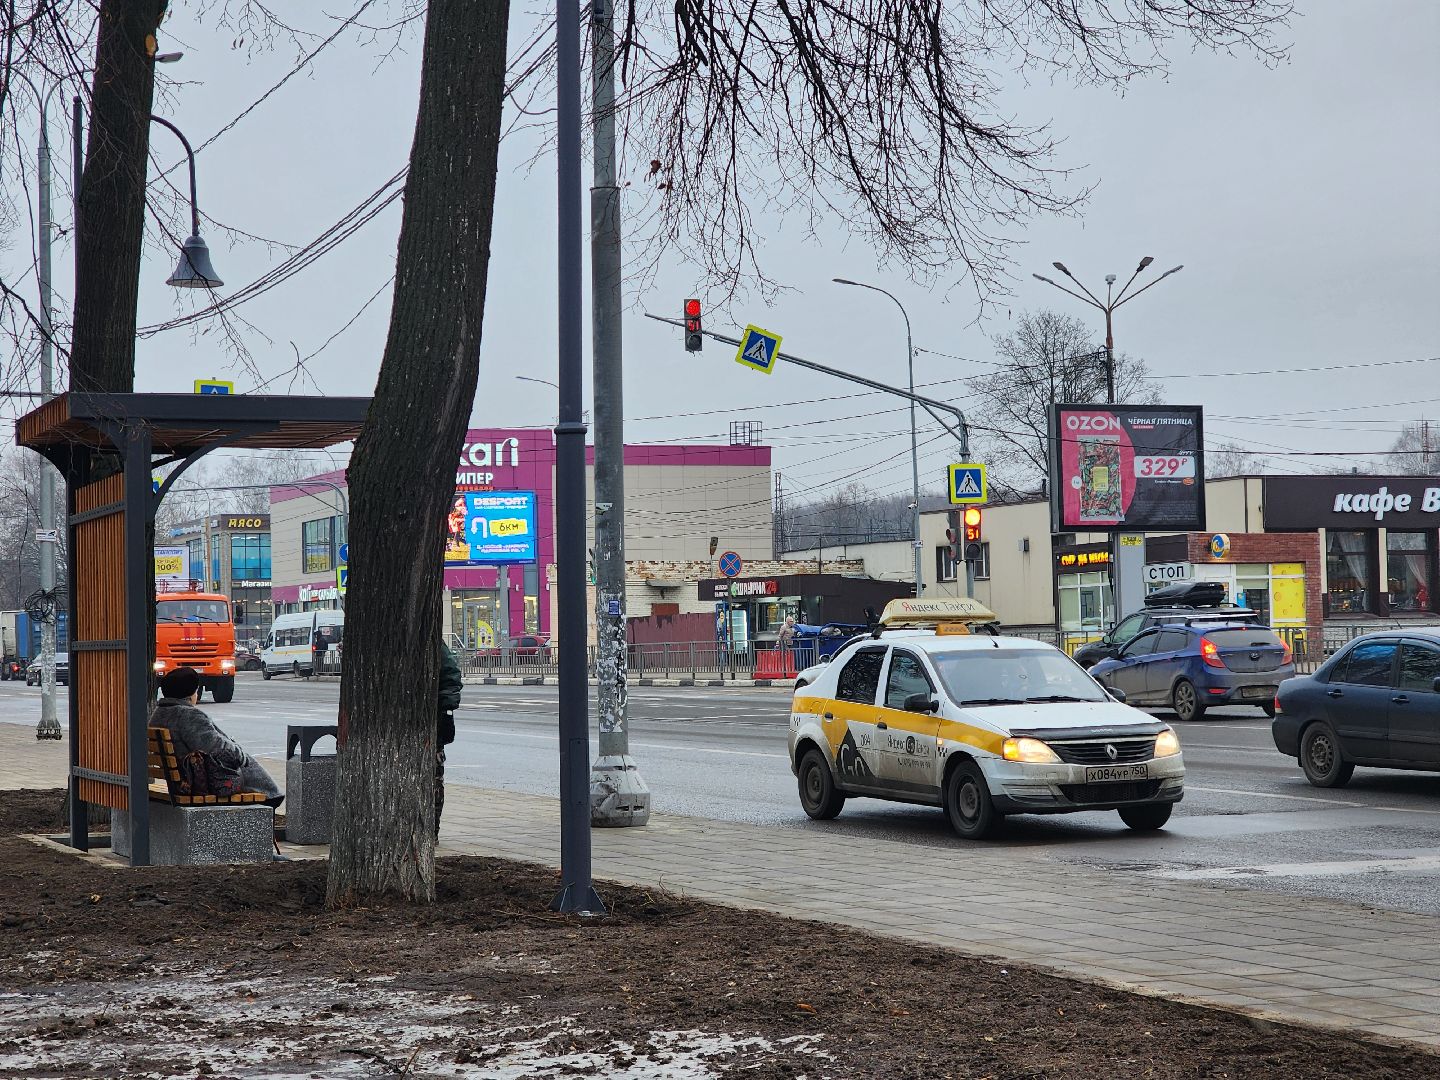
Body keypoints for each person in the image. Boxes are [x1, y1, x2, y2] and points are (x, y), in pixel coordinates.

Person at [150, 666, 282, 806]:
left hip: (181, 779)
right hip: (202, 782)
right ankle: (271, 797)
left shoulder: (159, 714)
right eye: (196, 691)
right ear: (190, 695)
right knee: (265, 790)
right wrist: (241, 755)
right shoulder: (188, 716)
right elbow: (216, 748)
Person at [435, 641, 463, 839]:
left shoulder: (431, 642)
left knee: (434, 780)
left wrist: (444, 705)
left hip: (431, 721)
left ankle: (431, 829)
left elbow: (451, 674)